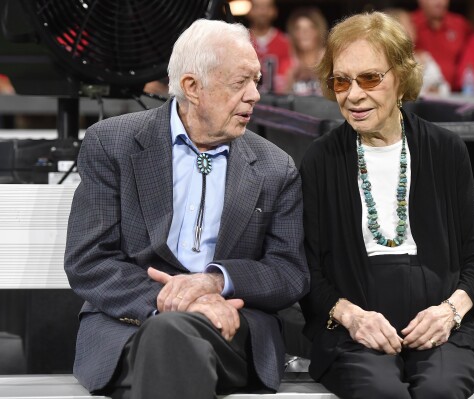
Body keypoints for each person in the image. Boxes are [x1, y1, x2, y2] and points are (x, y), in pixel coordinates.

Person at [64, 19, 309, 399]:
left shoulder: (276, 167)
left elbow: (288, 273)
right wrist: (177, 305)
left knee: (166, 348)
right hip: (130, 324)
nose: (254, 95)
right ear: (193, 87)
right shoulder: (112, 144)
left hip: (231, 326)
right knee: (168, 337)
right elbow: (90, 260)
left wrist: (215, 282)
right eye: (239, 82)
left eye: (256, 81)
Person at [300, 11, 474, 399]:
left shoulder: (445, 150)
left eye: (370, 78)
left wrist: (450, 312)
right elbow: (307, 268)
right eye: (341, 81)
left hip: (440, 327)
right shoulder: (320, 159)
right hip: (355, 331)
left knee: (441, 389)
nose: (353, 95)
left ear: (401, 77)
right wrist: (351, 317)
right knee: (380, 392)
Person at [386, 8, 450, 96]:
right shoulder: (388, 63)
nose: (413, 28)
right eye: (407, 25)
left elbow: (445, 87)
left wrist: (437, 89)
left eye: (411, 24)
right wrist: (424, 93)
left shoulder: (425, 57)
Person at [411, 0, 473, 90]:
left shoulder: (460, 24)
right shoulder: (411, 24)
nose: (439, 2)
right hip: (421, 95)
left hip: (457, 94)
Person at [247, 0, 292, 94]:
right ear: (250, 11)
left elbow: (288, 78)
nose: (262, 12)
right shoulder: (241, 41)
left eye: (267, 7)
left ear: (274, 11)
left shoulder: (286, 42)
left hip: (276, 101)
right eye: (257, 7)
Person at [285, 7, 328, 96]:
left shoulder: (328, 58)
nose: (304, 33)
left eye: (310, 27)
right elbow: (284, 98)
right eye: (298, 28)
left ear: (318, 31)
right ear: (293, 33)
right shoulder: (291, 62)